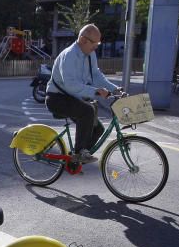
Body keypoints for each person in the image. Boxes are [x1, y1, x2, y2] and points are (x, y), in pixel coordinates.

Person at [45, 24, 123, 164]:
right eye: (94, 43)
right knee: (87, 111)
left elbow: (96, 75)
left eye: (98, 43)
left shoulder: (89, 54)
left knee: (98, 129)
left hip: (73, 98)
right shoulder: (69, 56)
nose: (96, 47)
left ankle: (75, 159)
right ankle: (80, 152)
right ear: (82, 39)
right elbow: (71, 85)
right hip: (57, 98)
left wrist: (115, 88)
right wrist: (96, 91)